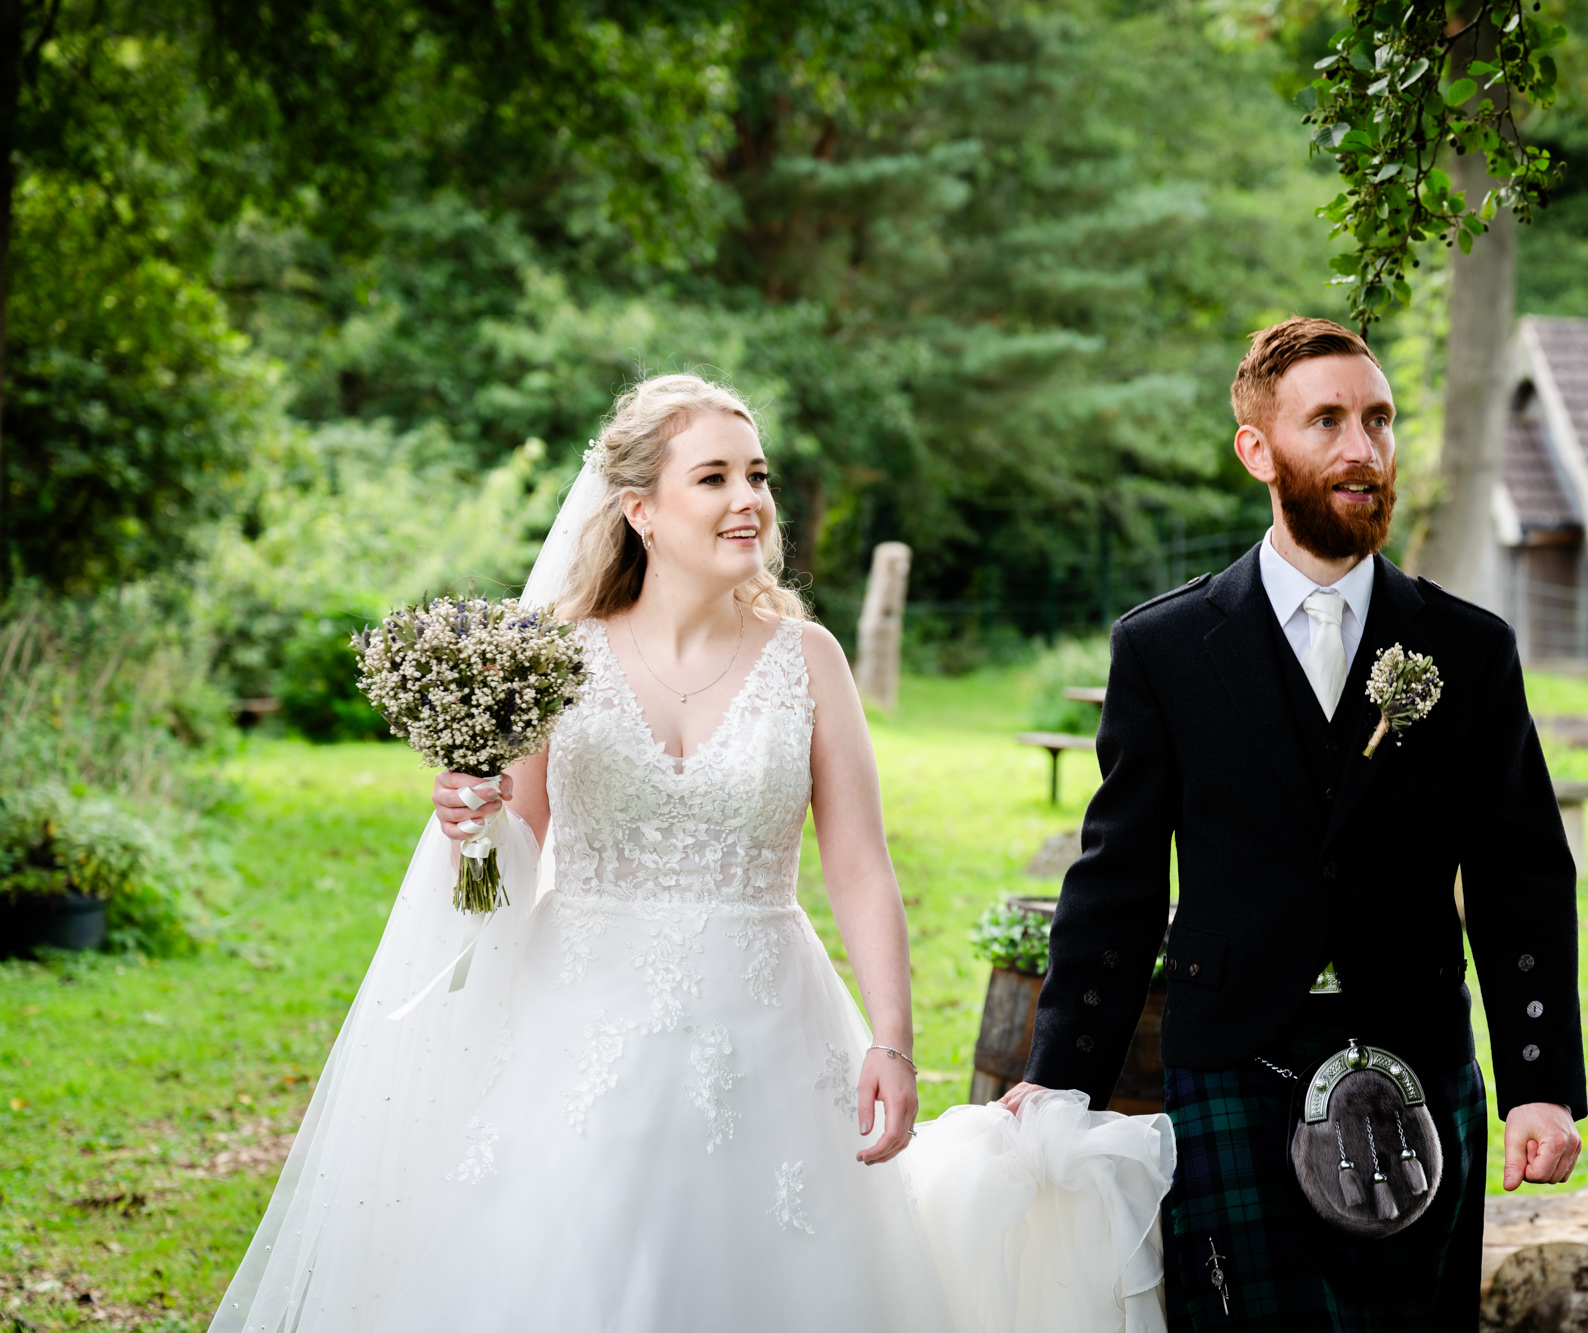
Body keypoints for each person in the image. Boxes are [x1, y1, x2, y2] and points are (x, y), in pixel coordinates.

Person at [209, 373, 1173, 1333]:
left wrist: (891, 1039)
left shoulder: (810, 659)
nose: (747, 499)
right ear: (640, 510)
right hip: (575, 1023)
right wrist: (473, 818)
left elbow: (859, 867)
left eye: (755, 476)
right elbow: (519, 841)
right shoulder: (555, 655)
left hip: (767, 1026)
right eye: (712, 478)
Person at [1000, 317, 1586, 1330]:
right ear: (1257, 450)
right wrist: (1060, 1070)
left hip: (1415, 1047)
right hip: (1233, 1054)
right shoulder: (1165, 645)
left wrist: (1538, 1082)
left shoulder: (1466, 648)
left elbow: (1518, 874)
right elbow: (1120, 876)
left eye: (1377, 419)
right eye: (1327, 421)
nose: (1362, 447)